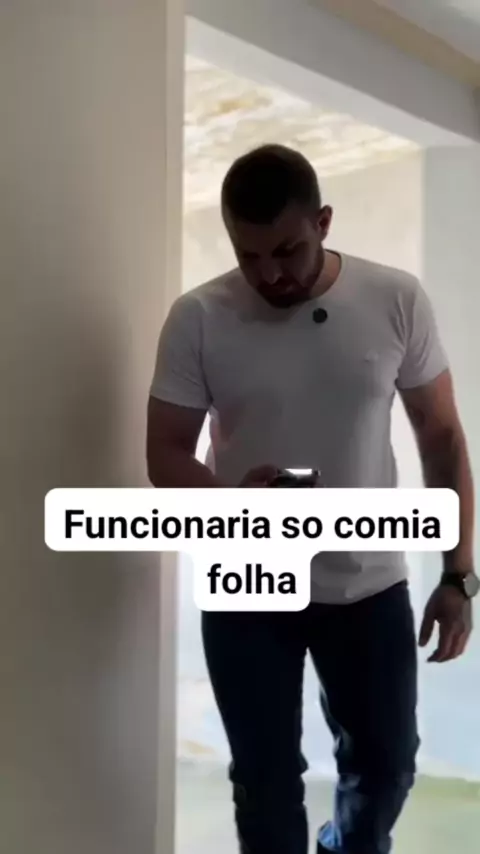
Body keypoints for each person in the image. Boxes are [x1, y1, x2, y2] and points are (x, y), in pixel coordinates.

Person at [146, 144, 478, 854]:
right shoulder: (198, 317)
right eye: (248, 256)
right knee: (263, 782)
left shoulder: (394, 299)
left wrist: (459, 576)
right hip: (248, 583)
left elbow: (442, 435)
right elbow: (166, 452)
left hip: (367, 583)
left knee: (386, 769)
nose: (269, 274)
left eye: (287, 251)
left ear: (323, 222)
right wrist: (231, 504)